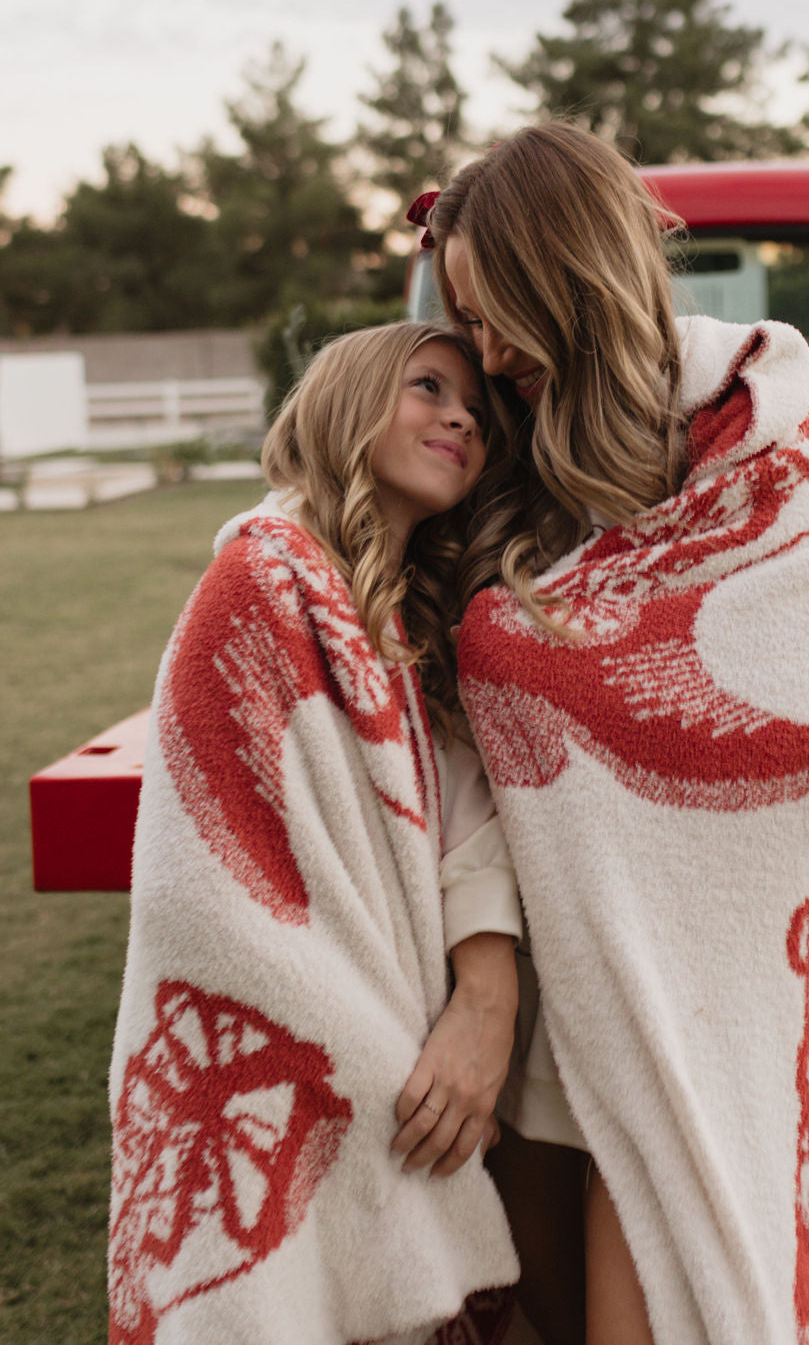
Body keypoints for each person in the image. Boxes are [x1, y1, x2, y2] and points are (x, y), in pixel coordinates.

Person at [414, 123, 809, 1345]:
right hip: (528, 999)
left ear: (574, 276)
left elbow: (805, 742)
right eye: (467, 318)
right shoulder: (495, 459)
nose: (490, 350)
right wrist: (486, 967)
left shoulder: (775, 467)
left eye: (503, 310)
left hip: (677, 1001)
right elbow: (455, 739)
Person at [107, 321, 526, 1345]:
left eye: (476, 407)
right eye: (428, 386)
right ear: (346, 401)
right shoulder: (256, 586)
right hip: (324, 1050)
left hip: (409, 1026)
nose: (462, 414)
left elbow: (468, 818)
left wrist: (484, 989)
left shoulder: (413, 620)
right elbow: (201, 877)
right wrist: (373, 1054)